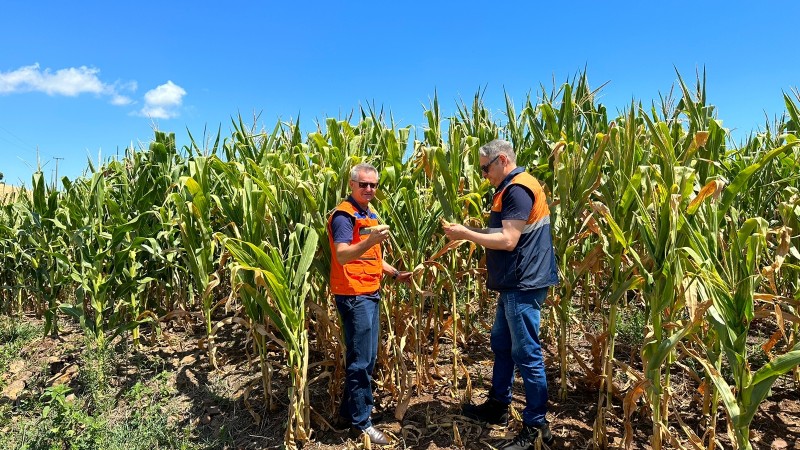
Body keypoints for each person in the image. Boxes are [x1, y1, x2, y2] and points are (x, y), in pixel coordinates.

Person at [443, 139, 559, 449]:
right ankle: (498, 405)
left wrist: (466, 234)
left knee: (527, 354)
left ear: (502, 160)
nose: (483, 174)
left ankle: (536, 426)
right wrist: (469, 231)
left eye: (485, 167)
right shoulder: (509, 188)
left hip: (523, 283)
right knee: (503, 345)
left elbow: (508, 240)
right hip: (513, 282)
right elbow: (505, 233)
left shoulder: (518, 189)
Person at [327, 162, 412, 446]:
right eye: (363, 184)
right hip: (353, 295)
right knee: (362, 360)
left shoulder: (368, 213)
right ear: (351, 185)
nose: (369, 189)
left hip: (370, 290)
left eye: (373, 185)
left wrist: (395, 273)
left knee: (366, 357)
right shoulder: (344, 216)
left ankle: (345, 414)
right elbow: (342, 255)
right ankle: (362, 423)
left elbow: (372, 257)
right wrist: (371, 240)